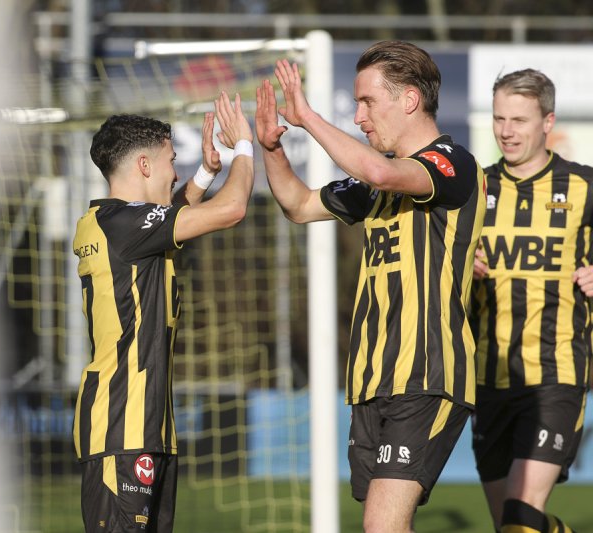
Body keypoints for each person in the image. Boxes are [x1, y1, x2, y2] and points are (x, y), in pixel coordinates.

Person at [255, 41, 486, 532]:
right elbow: (298, 205)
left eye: (367, 102)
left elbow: (380, 171)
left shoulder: (453, 162)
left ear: (409, 100)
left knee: (382, 525)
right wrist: (272, 148)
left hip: (426, 372)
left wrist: (308, 118)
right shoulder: (376, 188)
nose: (359, 116)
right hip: (371, 378)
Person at [72, 92, 255, 532]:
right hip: (123, 425)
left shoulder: (115, 223)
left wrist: (207, 173)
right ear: (144, 165)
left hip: (145, 426)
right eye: (172, 161)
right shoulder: (123, 225)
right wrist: (244, 147)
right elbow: (232, 210)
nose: (175, 172)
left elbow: (168, 217)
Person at [470, 68, 593, 533]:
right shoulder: (473, 190)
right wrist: (458, 267)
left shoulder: (584, 186)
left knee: (519, 520)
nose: (506, 131)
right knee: (511, 525)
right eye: (499, 118)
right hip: (487, 378)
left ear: (548, 122)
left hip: (556, 375)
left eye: (519, 120)